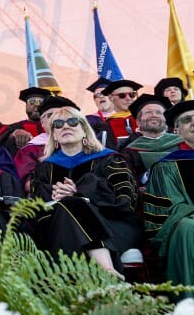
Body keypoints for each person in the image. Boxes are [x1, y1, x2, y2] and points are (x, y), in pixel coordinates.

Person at [30, 107, 141, 276]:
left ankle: (99, 274)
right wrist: (59, 198)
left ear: (85, 129)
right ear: (54, 135)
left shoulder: (110, 159)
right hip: (58, 229)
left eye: (73, 122)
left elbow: (126, 201)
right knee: (70, 204)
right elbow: (36, 208)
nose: (65, 127)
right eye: (58, 124)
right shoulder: (45, 168)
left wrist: (82, 194)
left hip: (110, 226)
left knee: (74, 202)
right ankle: (106, 269)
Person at [143, 100, 194, 292]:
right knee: (188, 227)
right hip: (187, 223)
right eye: (187, 120)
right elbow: (168, 209)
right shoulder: (166, 166)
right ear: (177, 131)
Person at [119, 94, 181, 185]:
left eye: (159, 112)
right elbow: (127, 181)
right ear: (138, 121)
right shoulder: (129, 151)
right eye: (148, 112)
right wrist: (145, 177)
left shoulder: (184, 143)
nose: (154, 115)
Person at [0, 87, 50, 157]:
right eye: (32, 101)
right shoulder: (16, 127)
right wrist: (13, 134)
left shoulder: (55, 126)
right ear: (26, 106)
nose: (36, 105)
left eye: (40, 102)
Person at [101, 79, 142, 145]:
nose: (128, 98)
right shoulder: (103, 127)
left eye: (132, 94)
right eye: (122, 95)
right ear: (111, 98)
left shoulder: (145, 119)